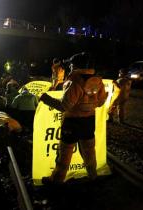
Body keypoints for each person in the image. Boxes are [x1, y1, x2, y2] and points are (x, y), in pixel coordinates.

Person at [39, 52, 108, 184]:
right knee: (89, 151)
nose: (69, 66)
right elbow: (100, 102)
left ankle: (56, 180)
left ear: (76, 65)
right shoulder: (98, 81)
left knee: (65, 153)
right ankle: (93, 176)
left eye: (71, 64)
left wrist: (45, 98)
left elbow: (64, 106)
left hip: (72, 123)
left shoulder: (74, 81)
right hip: (89, 121)